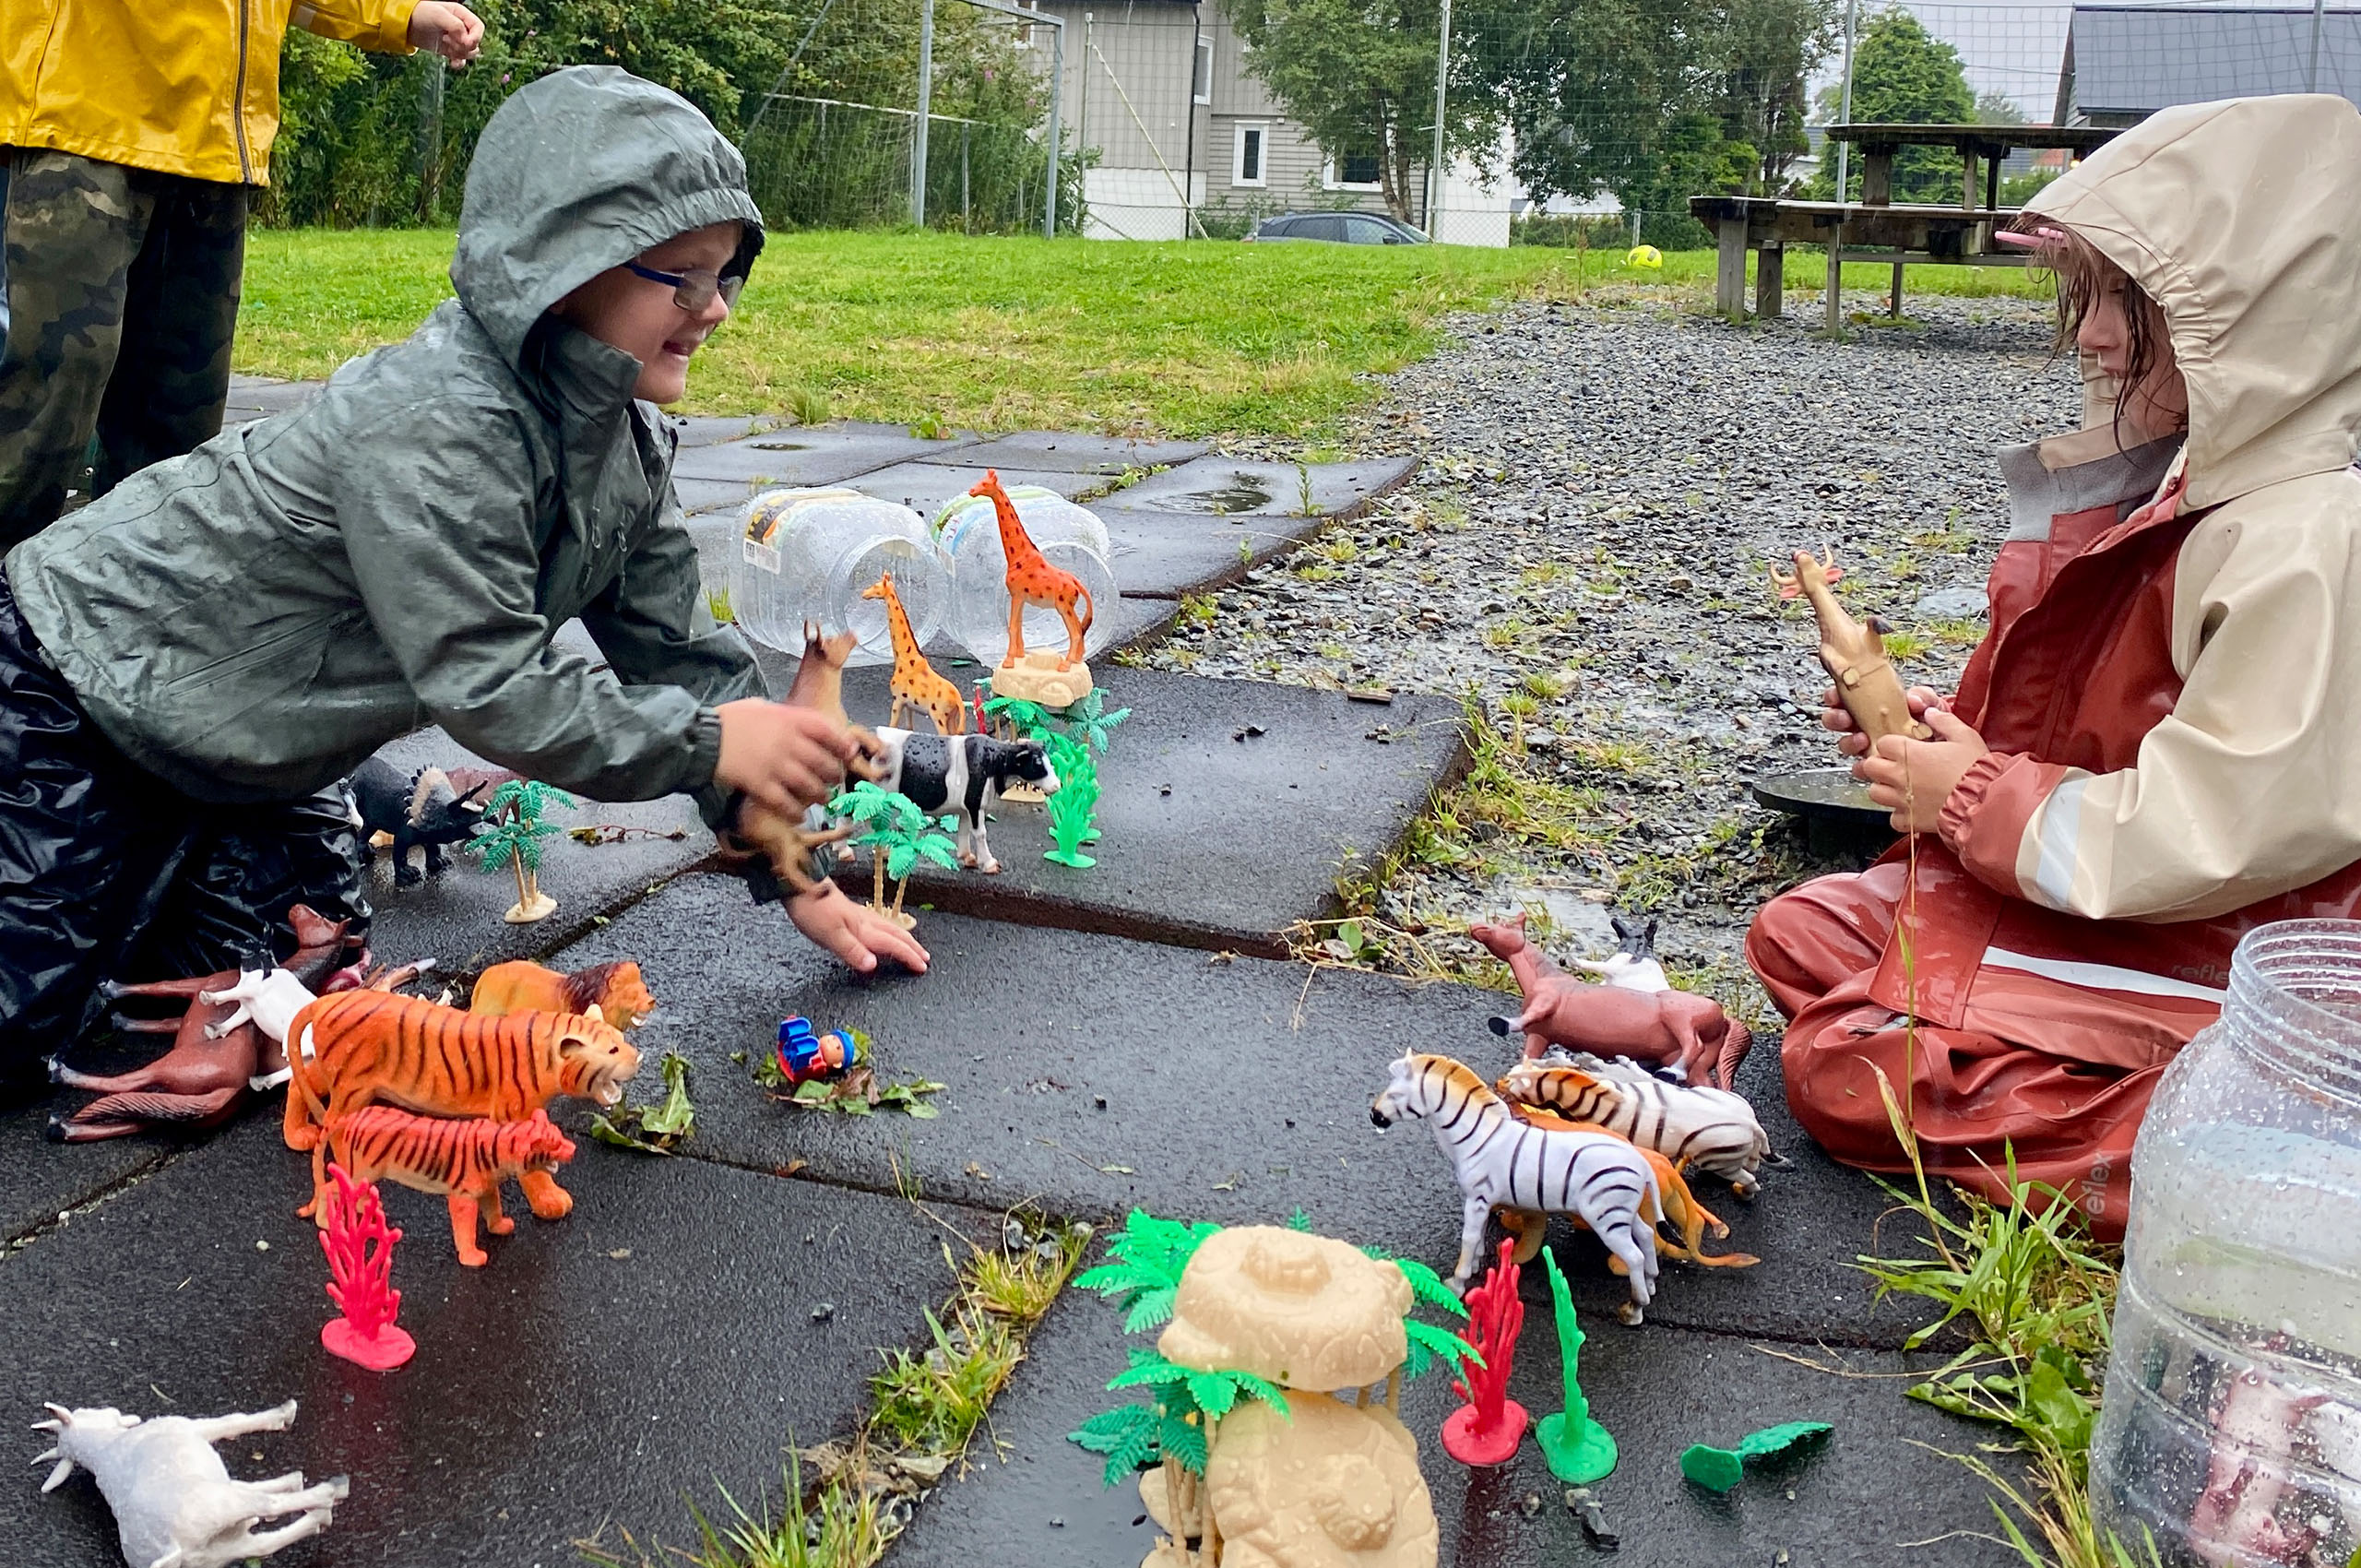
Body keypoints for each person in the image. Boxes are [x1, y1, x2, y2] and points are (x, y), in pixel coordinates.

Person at [0, 67, 925, 1098]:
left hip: (244, 757)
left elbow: (690, 670)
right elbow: (491, 681)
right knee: (25, 1023)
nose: (713, 310)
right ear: (561, 269)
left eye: (727, 278)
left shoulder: (625, 445)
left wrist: (797, 877)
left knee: (306, 977)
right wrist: (715, 742)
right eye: (683, 275)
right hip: (74, 685)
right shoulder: (435, 423)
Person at [1746, 93, 2361, 1241]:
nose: (2090, 338)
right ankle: (2116, 1078)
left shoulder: (2306, 543)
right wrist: (1937, 741)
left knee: (1848, 1063)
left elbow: (2221, 825)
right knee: (1804, 928)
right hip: (2134, 906)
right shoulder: (2181, 492)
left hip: (2250, 951)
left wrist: (1975, 795)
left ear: (2260, 323)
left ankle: (2263, 1145)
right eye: (2089, 300)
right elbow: (2067, 735)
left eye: (2134, 305)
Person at [0, 0, 485, 544]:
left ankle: (133, 605)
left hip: (213, 150)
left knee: (179, 419)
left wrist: (400, 14)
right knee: (50, 395)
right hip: (79, 118)